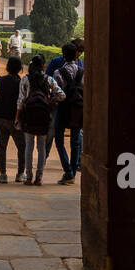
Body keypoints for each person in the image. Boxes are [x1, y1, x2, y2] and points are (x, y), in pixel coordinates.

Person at [16, 54, 65, 184]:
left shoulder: (26, 79)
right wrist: (50, 100)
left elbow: (20, 101)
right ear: (43, 66)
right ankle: (39, 177)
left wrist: (17, 118)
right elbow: (62, 95)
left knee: (29, 146)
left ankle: (29, 176)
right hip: (44, 116)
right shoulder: (48, 79)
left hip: (29, 116)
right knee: (42, 147)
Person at [0, 54, 25, 183]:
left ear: (7, 67)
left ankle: (3, 174)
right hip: (15, 118)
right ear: (20, 68)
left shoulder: (0, 80)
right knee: (22, 146)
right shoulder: (20, 83)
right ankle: (20, 173)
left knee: (1, 146)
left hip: (0, 116)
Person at [54, 43, 84, 184]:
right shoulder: (82, 71)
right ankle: (72, 170)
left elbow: (57, 91)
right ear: (77, 55)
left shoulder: (58, 72)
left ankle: (68, 171)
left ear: (63, 55)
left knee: (59, 140)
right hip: (78, 108)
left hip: (63, 108)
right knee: (75, 141)